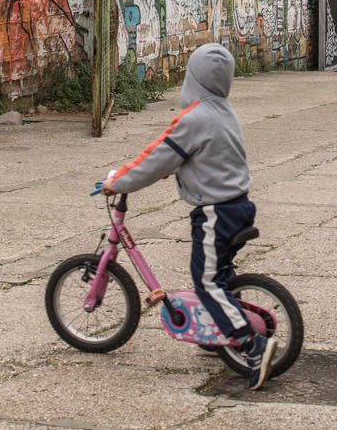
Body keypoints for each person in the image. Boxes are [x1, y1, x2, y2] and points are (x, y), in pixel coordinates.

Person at [103, 42, 276, 390]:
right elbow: (208, 155)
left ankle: (248, 343)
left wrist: (117, 181)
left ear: (192, 77)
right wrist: (180, 168)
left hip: (216, 212)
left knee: (207, 281)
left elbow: (155, 157)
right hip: (238, 205)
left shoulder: (193, 118)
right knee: (220, 275)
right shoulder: (224, 110)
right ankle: (217, 330)